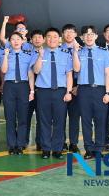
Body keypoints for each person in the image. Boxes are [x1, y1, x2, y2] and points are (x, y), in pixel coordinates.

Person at [31, 28, 77, 159]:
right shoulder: (39, 53)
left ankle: (57, 149)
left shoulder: (65, 54)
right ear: (45, 39)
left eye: (55, 37)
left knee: (59, 121)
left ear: (59, 39)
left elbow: (69, 75)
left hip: (60, 92)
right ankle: (45, 149)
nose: (52, 39)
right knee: (44, 121)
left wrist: (68, 92)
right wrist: (40, 56)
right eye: (49, 37)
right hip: (43, 92)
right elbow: (36, 70)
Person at [75, 26, 109, 159]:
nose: (89, 37)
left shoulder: (104, 53)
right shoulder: (78, 53)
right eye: (86, 34)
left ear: (96, 36)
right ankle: (88, 149)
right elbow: (75, 70)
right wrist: (74, 52)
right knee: (85, 121)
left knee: (100, 121)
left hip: (100, 90)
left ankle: (99, 149)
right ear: (82, 37)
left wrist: (108, 92)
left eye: (91, 34)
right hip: (84, 89)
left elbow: (108, 74)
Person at [1, 32, 35, 155]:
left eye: (18, 39)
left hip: (23, 86)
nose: (15, 41)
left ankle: (20, 144)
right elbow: (3, 70)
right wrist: (5, 56)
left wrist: (31, 90)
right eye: (13, 39)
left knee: (22, 117)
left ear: (22, 41)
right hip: (9, 85)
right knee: (10, 117)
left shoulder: (28, 55)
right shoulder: (5, 54)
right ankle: (11, 144)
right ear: (10, 42)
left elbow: (30, 74)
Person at [60, 24, 81, 153]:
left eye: (71, 32)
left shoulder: (82, 50)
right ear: (63, 34)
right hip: (61, 87)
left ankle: (73, 143)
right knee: (60, 116)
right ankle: (61, 141)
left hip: (77, 88)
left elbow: (83, 70)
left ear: (75, 34)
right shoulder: (57, 49)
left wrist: (78, 86)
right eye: (66, 32)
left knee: (74, 117)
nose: (68, 34)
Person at [26, 29, 44, 150]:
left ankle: (40, 142)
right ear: (31, 40)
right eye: (35, 37)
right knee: (25, 116)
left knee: (42, 118)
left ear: (43, 39)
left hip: (43, 91)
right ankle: (23, 141)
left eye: (39, 37)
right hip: (27, 90)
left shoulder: (48, 53)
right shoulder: (26, 53)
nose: (37, 39)